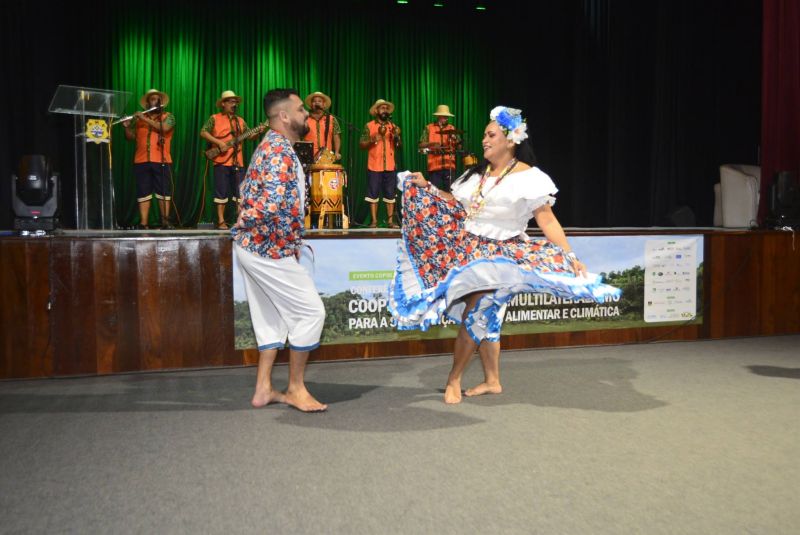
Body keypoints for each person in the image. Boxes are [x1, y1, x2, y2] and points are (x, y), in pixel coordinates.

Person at [390, 106, 621, 404]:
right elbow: (458, 205)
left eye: (491, 135)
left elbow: (547, 220)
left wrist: (569, 255)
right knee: (490, 317)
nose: (484, 140)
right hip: (469, 250)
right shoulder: (477, 174)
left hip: (502, 257)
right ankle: (492, 380)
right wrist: (427, 188)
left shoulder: (529, 177)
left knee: (478, 310)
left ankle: (453, 379)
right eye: (485, 135)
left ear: (510, 140)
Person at [231, 88, 327, 412]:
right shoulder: (279, 152)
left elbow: (246, 189)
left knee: (272, 319)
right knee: (312, 312)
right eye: (301, 109)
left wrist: (246, 218)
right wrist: (245, 220)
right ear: (284, 116)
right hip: (266, 249)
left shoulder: (271, 147)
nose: (306, 114)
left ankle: (263, 390)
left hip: (257, 247)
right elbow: (268, 203)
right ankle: (297, 389)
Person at [200, 90, 265, 229]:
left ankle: (240, 219)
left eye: (235, 102)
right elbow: (203, 132)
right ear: (223, 104)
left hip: (238, 161)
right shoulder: (214, 118)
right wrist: (218, 143)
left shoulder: (240, 121)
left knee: (240, 192)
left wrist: (258, 132)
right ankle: (221, 221)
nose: (234, 104)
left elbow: (249, 137)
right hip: (221, 161)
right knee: (221, 191)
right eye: (231, 101)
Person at [123, 89, 175, 229]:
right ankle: (143, 223)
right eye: (152, 99)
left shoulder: (169, 116)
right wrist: (127, 128)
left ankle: (165, 222)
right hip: (141, 160)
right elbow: (131, 138)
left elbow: (164, 127)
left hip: (161, 160)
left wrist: (144, 119)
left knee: (163, 192)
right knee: (143, 192)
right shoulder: (138, 120)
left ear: (161, 103)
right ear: (147, 103)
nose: (155, 102)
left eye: (158, 99)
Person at [359, 99, 402, 228]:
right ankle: (373, 221)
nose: (385, 110)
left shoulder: (393, 127)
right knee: (373, 194)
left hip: (390, 165)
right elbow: (361, 144)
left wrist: (396, 137)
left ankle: (390, 221)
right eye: (382, 108)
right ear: (376, 111)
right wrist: (372, 139)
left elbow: (399, 146)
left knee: (390, 194)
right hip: (374, 165)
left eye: (386, 108)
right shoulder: (369, 126)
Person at [418, 104, 462, 190]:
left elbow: (459, 147)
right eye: (444, 116)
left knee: (450, 192)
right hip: (434, 166)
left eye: (447, 116)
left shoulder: (451, 128)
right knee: (434, 193)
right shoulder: (429, 127)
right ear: (438, 116)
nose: (446, 118)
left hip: (449, 165)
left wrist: (455, 140)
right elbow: (420, 144)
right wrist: (431, 144)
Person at [303, 91, 341, 162]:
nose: (317, 103)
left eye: (319, 101)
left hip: (326, 156)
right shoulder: (305, 118)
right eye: (314, 101)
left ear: (324, 104)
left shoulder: (331, 119)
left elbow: (336, 136)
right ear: (311, 104)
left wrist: (337, 152)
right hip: (308, 157)